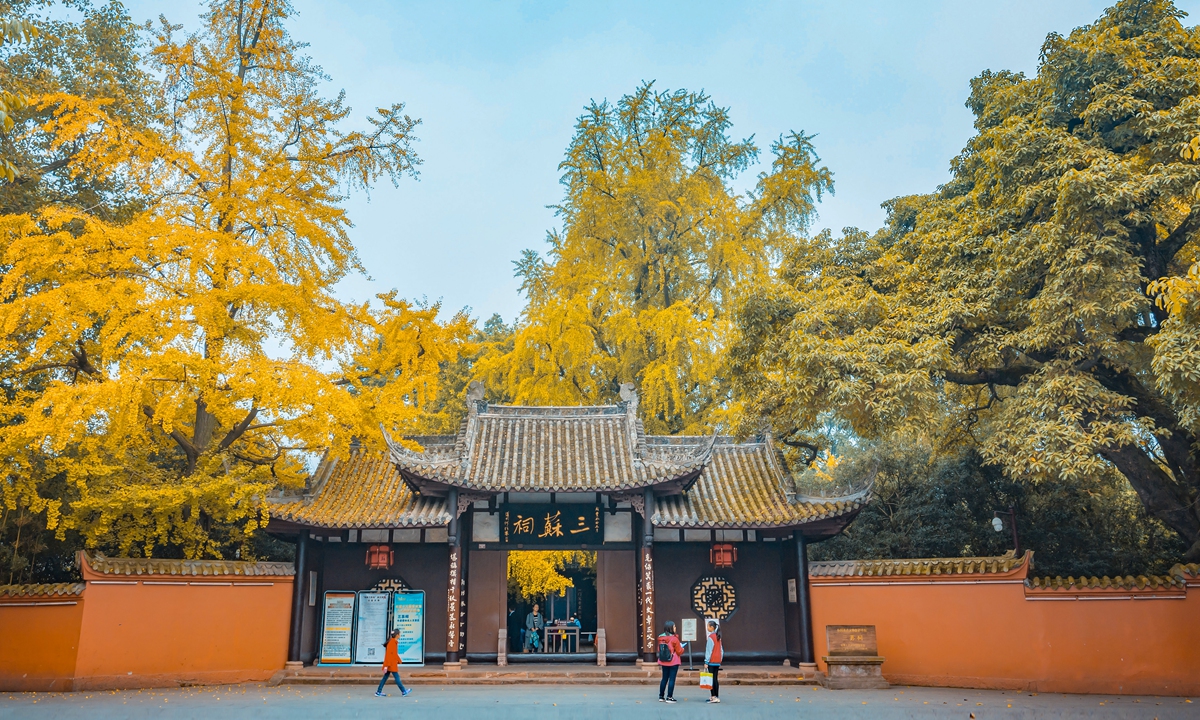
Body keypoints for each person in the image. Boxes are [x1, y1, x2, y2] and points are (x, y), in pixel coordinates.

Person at [375, 629, 412, 698]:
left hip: (390, 664)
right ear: (397, 635)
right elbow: (389, 655)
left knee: (385, 678)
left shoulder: (393, 642)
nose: (400, 635)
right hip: (391, 664)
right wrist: (387, 665)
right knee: (397, 677)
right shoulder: (392, 643)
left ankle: (378, 691)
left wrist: (398, 660)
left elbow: (393, 654)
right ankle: (403, 691)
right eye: (399, 634)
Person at [656, 620, 684, 703]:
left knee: (664, 678)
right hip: (673, 661)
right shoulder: (674, 639)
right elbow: (679, 651)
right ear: (671, 628)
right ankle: (669, 697)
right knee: (672, 679)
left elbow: (659, 649)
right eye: (674, 626)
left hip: (664, 660)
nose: (675, 628)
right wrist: (682, 648)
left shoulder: (661, 638)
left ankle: (661, 696)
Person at [704, 619, 723, 704]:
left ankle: (713, 696)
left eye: (708, 626)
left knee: (711, 679)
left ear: (712, 627)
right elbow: (721, 650)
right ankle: (716, 696)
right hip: (717, 661)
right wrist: (720, 659)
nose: (707, 627)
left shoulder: (711, 637)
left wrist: (706, 661)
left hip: (711, 661)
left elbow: (709, 651)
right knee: (715, 678)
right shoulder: (718, 636)